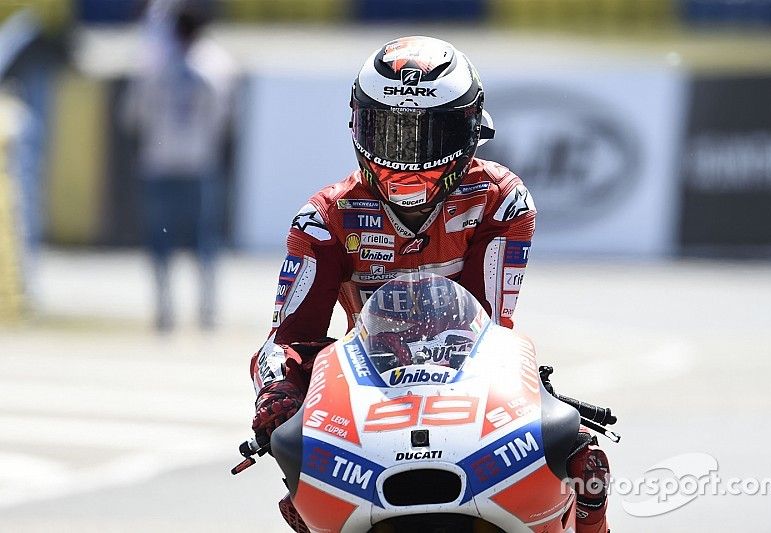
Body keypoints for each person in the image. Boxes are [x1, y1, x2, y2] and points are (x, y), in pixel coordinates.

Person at [248, 36, 609, 533]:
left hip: (469, 390)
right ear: (356, 125)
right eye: (389, 132)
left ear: (471, 130)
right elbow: (285, 341)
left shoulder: (502, 201)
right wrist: (278, 392)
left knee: (586, 466)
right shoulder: (323, 218)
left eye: (428, 136)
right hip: (364, 396)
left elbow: (491, 329)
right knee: (302, 494)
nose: (406, 156)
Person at [123, 1, 234, 331]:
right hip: (199, 161)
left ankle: (164, 310)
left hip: (159, 161)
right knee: (204, 239)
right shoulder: (217, 64)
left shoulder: (153, 61)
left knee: (160, 240)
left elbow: (132, 114)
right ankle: (207, 311)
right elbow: (225, 118)